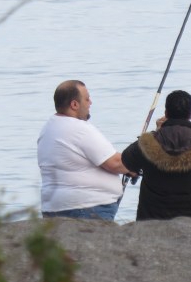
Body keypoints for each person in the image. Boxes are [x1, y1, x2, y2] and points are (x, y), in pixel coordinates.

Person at [121, 89, 191, 221]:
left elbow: (127, 160)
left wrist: (157, 132)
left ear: (166, 113)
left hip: (152, 225)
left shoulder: (147, 144)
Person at [37, 80, 132, 220]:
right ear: (74, 104)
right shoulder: (78, 128)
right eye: (87, 99)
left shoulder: (48, 129)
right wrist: (137, 162)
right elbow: (115, 163)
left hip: (53, 209)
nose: (90, 103)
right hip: (84, 209)